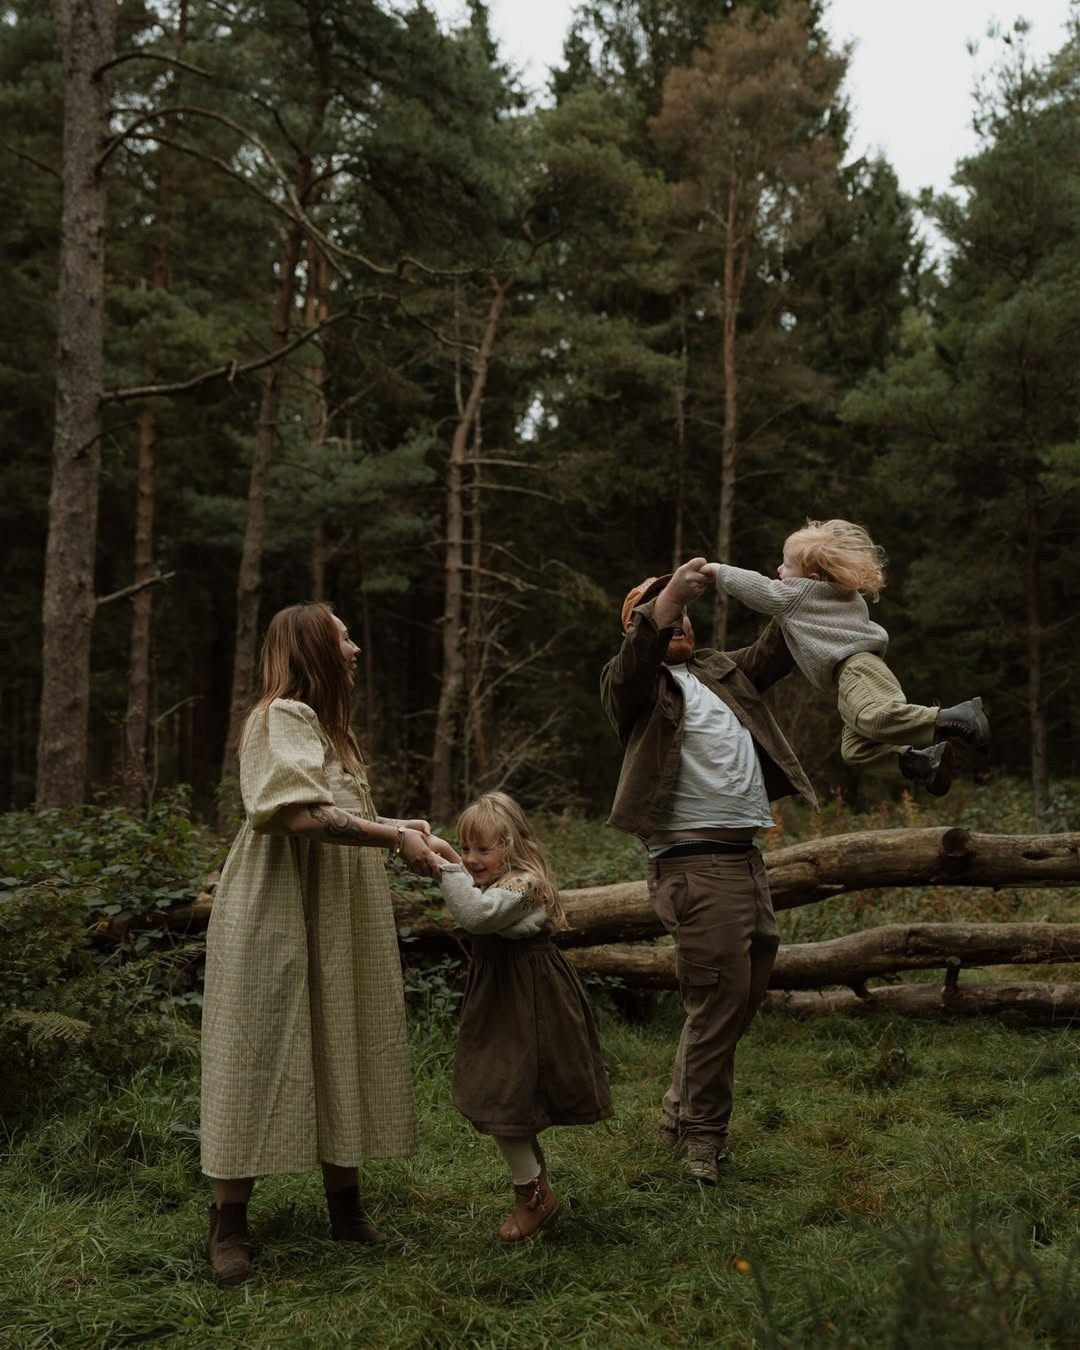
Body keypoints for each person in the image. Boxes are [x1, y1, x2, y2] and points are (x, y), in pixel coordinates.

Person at [200, 601, 460, 1286]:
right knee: (256, 1047)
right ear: (314, 648)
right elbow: (300, 814)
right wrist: (393, 837)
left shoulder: (330, 730)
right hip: (276, 901)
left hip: (339, 906)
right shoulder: (277, 716)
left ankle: (346, 1210)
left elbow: (347, 814)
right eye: (344, 639)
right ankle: (229, 1223)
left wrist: (409, 828)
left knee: (342, 1037)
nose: (354, 650)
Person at [600, 557, 817, 1185]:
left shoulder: (721, 671)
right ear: (640, 624)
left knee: (737, 1000)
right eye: (664, 611)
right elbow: (640, 652)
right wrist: (667, 596)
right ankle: (702, 1140)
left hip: (745, 859)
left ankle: (678, 1113)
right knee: (718, 1001)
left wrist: (802, 579)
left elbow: (784, 640)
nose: (679, 620)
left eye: (684, 612)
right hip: (694, 866)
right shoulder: (631, 684)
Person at [433, 791, 612, 1243]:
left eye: (482, 849)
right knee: (502, 1093)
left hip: (531, 1000)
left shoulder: (525, 883)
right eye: (464, 848)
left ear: (512, 847)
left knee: (504, 1096)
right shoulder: (498, 878)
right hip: (500, 998)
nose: (471, 859)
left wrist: (447, 866)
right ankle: (536, 1190)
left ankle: (533, 1198)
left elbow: (476, 915)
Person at [706, 518, 990, 797]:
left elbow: (761, 590)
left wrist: (718, 571)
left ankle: (956, 717)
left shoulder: (799, 595)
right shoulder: (841, 593)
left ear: (812, 579)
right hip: (857, 673)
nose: (779, 570)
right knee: (855, 750)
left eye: (787, 565)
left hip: (856, 669)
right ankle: (924, 761)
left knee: (872, 718)